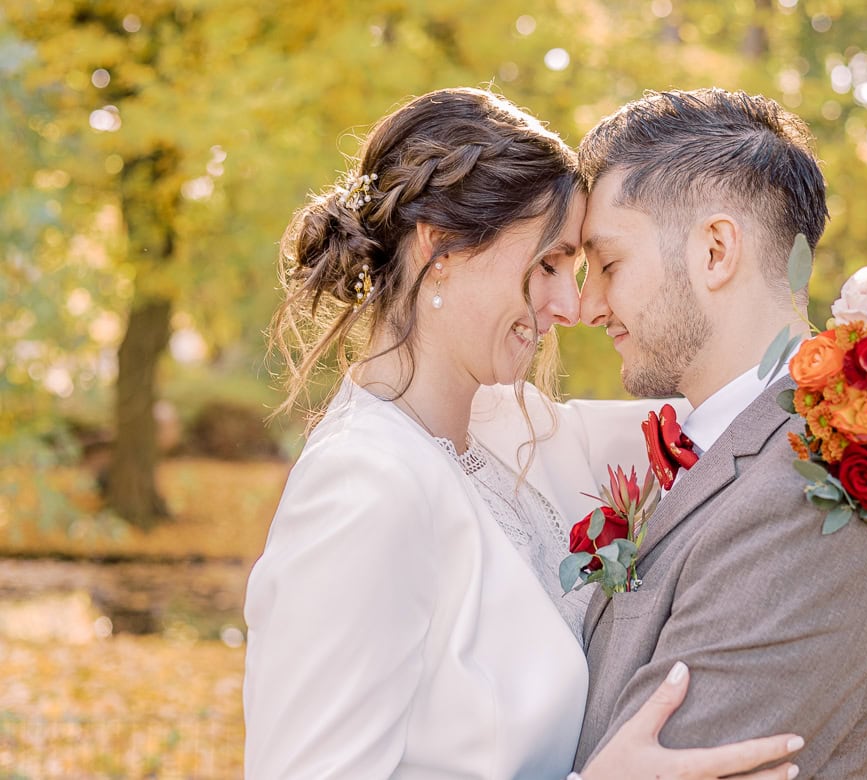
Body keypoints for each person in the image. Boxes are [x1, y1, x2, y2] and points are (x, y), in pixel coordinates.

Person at [243, 87, 803, 779]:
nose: (570, 306)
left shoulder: (514, 431)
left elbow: (737, 410)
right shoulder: (365, 488)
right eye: (548, 265)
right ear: (441, 248)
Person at [573, 88, 867, 777]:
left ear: (714, 251)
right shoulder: (729, 449)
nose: (587, 305)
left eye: (609, 265)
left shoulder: (807, 492)